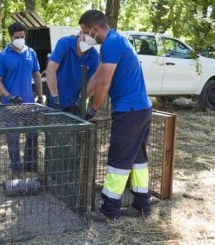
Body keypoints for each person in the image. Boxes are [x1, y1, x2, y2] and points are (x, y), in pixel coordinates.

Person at [78, 10, 153, 220]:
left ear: (94, 28)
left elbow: (104, 83)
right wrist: (80, 100)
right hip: (141, 108)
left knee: (118, 159)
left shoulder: (111, 44)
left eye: (84, 31)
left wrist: (92, 109)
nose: (84, 36)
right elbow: (96, 77)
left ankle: (109, 210)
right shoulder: (114, 41)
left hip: (129, 110)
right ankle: (142, 205)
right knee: (138, 159)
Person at [0, 22, 43, 175]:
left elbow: (37, 75)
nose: (20, 39)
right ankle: (16, 169)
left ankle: (30, 166)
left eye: (22, 36)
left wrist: (40, 97)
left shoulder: (31, 53)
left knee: (32, 135)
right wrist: (9, 96)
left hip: (29, 103)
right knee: (13, 137)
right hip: (10, 105)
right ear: (10, 37)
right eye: (17, 37)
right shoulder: (2, 56)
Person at [46, 31, 99, 118]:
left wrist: (80, 101)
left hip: (75, 108)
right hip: (54, 105)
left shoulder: (94, 56)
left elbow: (93, 83)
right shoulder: (64, 43)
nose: (87, 45)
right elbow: (50, 70)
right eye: (86, 41)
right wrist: (56, 99)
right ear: (81, 33)